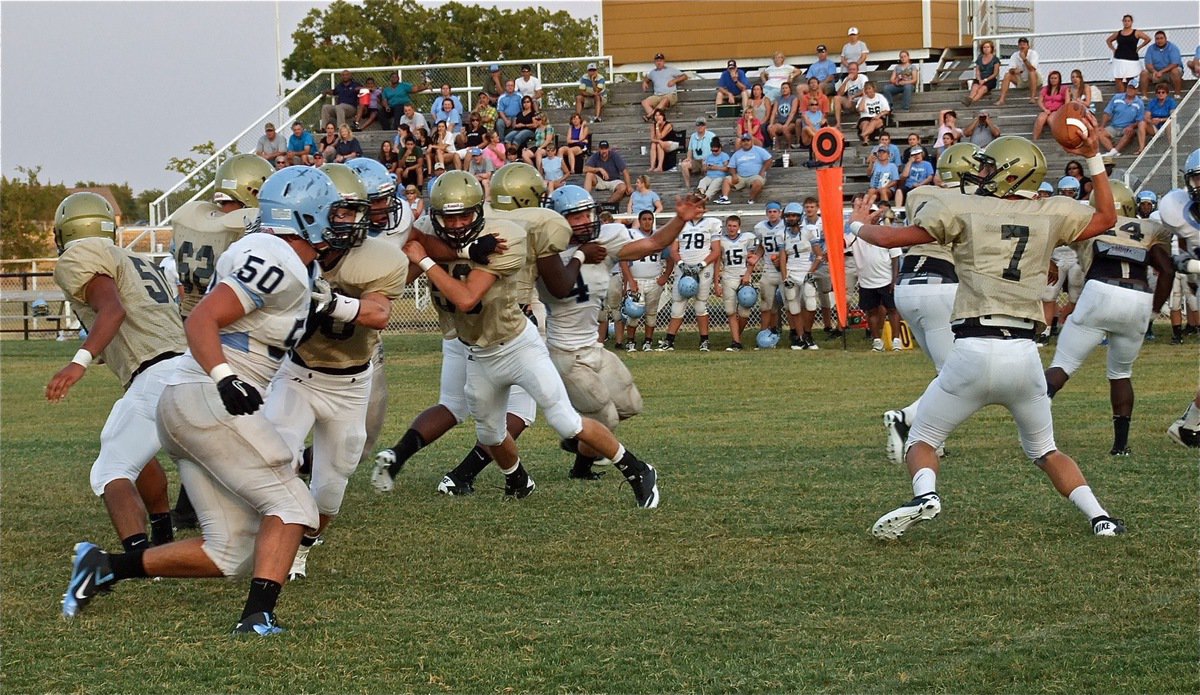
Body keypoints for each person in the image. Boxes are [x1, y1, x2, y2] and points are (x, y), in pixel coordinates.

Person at [60, 165, 367, 634]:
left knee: (229, 551)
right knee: (296, 507)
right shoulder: (274, 254)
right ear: (304, 215)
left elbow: (338, 309)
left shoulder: (295, 266)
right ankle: (258, 618)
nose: (344, 221)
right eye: (336, 211)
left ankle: (103, 566)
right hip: (209, 396)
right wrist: (224, 377)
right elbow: (202, 318)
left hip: (192, 404)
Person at [856, 129, 1126, 540]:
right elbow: (1107, 217)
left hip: (973, 351)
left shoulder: (964, 208)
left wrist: (857, 225)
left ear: (1010, 174)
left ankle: (925, 496)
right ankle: (1100, 518)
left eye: (987, 167)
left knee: (922, 441)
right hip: (1024, 354)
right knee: (1046, 451)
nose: (980, 174)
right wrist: (1092, 158)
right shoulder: (1051, 211)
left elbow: (891, 238)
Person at [401, 171, 661, 507]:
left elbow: (466, 297)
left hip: (518, 345)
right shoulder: (452, 240)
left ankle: (638, 469)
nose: (455, 225)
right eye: (447, 218)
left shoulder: (506, 236)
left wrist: (422, 257)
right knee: (491, 434)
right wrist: (454, 249)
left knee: (565, 420)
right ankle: (519, 481)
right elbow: (415, 267)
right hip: (479, 352)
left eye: (464, 216)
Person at [264, 165, 401, 580]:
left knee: (329, 488)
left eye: (348, 212)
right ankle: (263, 544)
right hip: (296, 373)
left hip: (350, 381)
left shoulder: (379, 258)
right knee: (274, 458)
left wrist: (330, 302)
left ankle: (301, 548)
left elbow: (378, 314)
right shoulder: (283, 250)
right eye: (334, 212)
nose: (341, 221)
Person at [47, 192, 183, 557]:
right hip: (188, 368)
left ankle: (141, 558)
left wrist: (79, 361)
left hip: (156, 373)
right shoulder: (136, 259)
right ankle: (164, 534)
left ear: (66, 230)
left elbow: (112, 310)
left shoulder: (79, 256)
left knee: (111, 470)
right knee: (136, 450)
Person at [544, 185, 704, 476]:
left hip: (592, 345)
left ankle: (578, 445)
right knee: (605, 418)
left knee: (629, 406)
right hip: (564, 352)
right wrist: (579, 254)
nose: (583, 221)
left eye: (585, 214)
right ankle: (582, 445)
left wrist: (680, 218)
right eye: (573, 217)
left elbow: (653, 244)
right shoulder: (546, 252)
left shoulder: (604, 240)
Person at [1044, 181, 1174, 456]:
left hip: (1099, 290)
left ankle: (1036, 436)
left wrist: (1050, 261)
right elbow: (1167, 269)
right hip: (1138, 296)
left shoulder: (1087, 223)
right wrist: (1152, 311)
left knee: (1063, 366)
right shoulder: (1151, 230)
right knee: (1121, 373)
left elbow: (1044, 237)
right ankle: (1120, 446)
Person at [882, 142, 977, 464]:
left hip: (907, 285)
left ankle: (932, 440)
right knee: (955, 374)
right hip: (940, 285)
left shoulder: (917, 195)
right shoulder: (972, 200)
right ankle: (908, 419)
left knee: (946, 372)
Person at [1160, 148, 1200, 447]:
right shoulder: (1176, 207)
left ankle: (1188, 424)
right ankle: (1188, 425)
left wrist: (1193, 265)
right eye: (1199, 178)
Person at [656, 213, 722, 352]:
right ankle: (669, 340)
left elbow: (716, 251)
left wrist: (701, 264)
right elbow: (674, 249)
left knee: (700, 305)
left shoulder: (712, 223)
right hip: (683, 267)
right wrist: (680, 263)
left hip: (703, 269)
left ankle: (704, 340)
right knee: (677, 304)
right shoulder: (681, 224)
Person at [845, 198, 902, 351]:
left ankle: (896, 340)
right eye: (869, 213)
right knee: (872, 311)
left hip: (885, 278)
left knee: (892, 310)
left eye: (873, 213)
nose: (871, 216)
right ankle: (877, 341)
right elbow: (843, 244)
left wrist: (894, 279)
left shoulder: (885, 230)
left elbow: (895, 255)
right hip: (866, 281)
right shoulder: (855, 235)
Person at [780, 200, 826, 350]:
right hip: (792, 272)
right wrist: (784, 277)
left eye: (794, 215)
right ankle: (799, 338)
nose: (791, 218)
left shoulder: (808, 232)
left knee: (811, 305)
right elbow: (782, 258)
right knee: (793, 305)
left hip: (806, 271)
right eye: (788, 216)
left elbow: (819, 255)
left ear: (800, 216)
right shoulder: (782, 235)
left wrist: (811, 271)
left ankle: (808, 334)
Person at [622, 211, 671, 351]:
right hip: (637, 281)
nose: (647, 222)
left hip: (654, 280)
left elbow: (669, 258)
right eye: (644, 219)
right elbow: (623, 260)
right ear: (639, 220)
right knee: (633, 313)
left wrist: (665, 276)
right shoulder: (632, 235)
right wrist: (630, 281)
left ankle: (648, 341)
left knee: (651, 313)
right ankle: (631, 341)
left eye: (650, 219)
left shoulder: (659, 237)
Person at [714, 214, 757, 350]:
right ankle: (736, 342)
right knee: (730, 311)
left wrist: (748, 274)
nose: (732, 228)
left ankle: (736, 336)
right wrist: (716, 283)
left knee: (745, 313)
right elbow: (718, 262)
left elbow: (752, 260)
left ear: (739, 227)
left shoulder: (747, 238)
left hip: (743, 277)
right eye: (730, 226)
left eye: (734, 226)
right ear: (726, 226)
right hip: (728, 277)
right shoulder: (721, 241)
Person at [752, 201, 786, 341]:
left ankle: (796, 333)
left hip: (785, 268)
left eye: (775, 211)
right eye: (769, 211)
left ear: (780, 212)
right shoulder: (760, 228)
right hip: (769, 269)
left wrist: (782, 258)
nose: (772, 214)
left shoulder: (785, 226)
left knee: (791, 302)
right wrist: (756, 257)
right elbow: (762, 245)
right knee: (767, 304)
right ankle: (765, 333)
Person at [1106, 14, 1152, 93]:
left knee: (1130, 78)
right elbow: (1108, 40)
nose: (1126, 23)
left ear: (1131, 22)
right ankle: (1122, 95)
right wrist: (1113, 49)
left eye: (1128, 21)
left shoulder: (1136, 32)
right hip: (1119, 58)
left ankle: (1130, 94)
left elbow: (1147, 38)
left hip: (1132, 58)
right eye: (1125, 21)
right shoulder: (1118, 33)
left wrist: (1139, 47)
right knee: (1118, 78)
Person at [1100, 82, 1146, 155]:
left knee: (1129, 132)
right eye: (1129, 87)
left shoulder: (1139, 103)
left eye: (1133, 88)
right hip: (1114, 126)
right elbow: (1107, 112)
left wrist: (1131, 126)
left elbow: (1139, 119)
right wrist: (1102, 126)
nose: (1130, 90)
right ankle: (1114, 152)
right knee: (1100, 133)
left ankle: (1113, 152)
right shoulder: (1116, 97)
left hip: (1127, 127)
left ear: (1137, 91)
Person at [727, 134, 774, 205]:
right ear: (741, 143)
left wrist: (763, 170)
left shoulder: (759, 150)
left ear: (751, 141)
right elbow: (731, 166)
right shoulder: (737, 154)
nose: (746, 142)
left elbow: (769, 160)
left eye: (748, 140)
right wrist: (733, 175)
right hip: (740, 177)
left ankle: (751, 200)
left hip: (755, 176)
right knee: (726, 180)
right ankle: (724, 198)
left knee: (758, 182)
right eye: (743, 141)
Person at [583, 141, 632, 206]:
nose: (604, 151)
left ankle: (607, 205)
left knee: (623, 187)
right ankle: (586, 199)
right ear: (599, 149)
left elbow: (625, 171)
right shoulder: (595, 156)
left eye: (605, 149)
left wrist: (629, 187)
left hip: (614, 180)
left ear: (608, 149)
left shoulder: (614, 156)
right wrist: (599, 169)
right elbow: (585, 169)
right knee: (589, 174)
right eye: (602, 149)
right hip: (600, 181)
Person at [641, 53, 686, 121]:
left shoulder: (670, 70)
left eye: (660, 61)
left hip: (670, 95)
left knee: (664, 100)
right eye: (657, 61)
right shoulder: (652, 73)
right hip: (657, 96)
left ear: (663, 61)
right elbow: (647, 78)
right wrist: (644, 82)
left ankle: (649, 115)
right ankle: (656, 119)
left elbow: (684, 76)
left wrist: (674, 80)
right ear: (655, 62)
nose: (659, 62)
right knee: (644, 102)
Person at [996, 37, 1040, 106]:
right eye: (1020, 44)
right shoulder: (1015, 55)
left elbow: (1032, 69)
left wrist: (1024, 59)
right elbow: (1010, 69)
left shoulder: (1033, 54)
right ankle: (1001, 99)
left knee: (1032, 72)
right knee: (1007, 75)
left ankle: (1032, 97)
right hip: (1021, 80)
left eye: (1024, 44)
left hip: (1035, 80)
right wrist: (1014, 71)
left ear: (1028, 46)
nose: (1022, 46)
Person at [1140, 30, 1184, 99]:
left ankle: (1177, 95)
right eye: (1157, 39)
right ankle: (1144, 96)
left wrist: (1161, 72)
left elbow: (1175, 63)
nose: (1159, 40)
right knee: (1144, 73)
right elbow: (1148, 64)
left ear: (1165, 39)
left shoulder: (1173, 48)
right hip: (1156, 73)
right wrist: (1154, 72)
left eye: (1161, 38)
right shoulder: (1151, 48)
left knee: (1175, 71)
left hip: (1170, 72)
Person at [681, 117, 716, 189]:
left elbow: (716, 150)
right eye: (698, 125)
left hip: (709, 160)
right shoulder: (693, 136)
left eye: (702, 125)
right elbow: (690, 150)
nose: (700, 127)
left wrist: (708, 160)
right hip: (696, 161)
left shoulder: (712, 136)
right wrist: (688, 158)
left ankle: (707, 186)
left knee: (706, 165)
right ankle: (688, 187)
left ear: (705, 126)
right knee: (684, 164)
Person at [1031, 71, 1068, 140]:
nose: (1053, 80)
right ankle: (1035, 140)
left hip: (1057, 110)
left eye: (1055, 78)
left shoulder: (1063, 89)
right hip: (1046, 110)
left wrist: (1061, 111)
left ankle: (1060, 138)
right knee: (1040, 119)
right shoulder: (1045, 88)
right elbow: (1039, 101)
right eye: (1051, 78)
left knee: (1051, 119)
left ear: (1059, 79)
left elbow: (1067, 102)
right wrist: (1045, 109)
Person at [964, 40, 1001, 106]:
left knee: (981, 89)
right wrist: (979, 79)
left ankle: (971, 102)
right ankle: (970, 99)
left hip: (990, 80)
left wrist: (985, 80)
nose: (986, 49)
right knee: (975, 87)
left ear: (991, 48)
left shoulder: (995, 59)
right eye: (984, 47)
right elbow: (977, 71)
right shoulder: (979, 58)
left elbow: (995, 73)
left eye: (988, 47)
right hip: (980, 78)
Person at [697, 137, 732, 203]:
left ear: (720, 149)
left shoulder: (724, 156)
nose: (714, 152)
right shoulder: (708, 156)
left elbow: (726, 168)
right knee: (702, 181)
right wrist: (706, 167)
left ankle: (706, 198)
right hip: (709, 176)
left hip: (720, 177)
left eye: (716, 151)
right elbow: (703, 169)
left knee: (714, 184)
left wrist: (716, 167)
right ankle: (700, 194)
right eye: (712, 151)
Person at [833, 61, 867, 127]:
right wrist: (846, 81)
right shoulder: (846, 79)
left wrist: (854, 96)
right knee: (836, 98)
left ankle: (860, 122)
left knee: (864, 96)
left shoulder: (863, 78)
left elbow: (865, 90)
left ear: (857, 70)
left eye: (854, 69)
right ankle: (838, 123)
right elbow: (839, 93)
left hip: (862, 102)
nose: (852, 71)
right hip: (851, 103)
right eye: (850, 69)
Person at [768, 81, 799, 151]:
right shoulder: (778, 99)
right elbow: (773, 113)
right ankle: (777, 146)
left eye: (786, 88)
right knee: (770, 128)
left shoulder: (794, 98)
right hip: (780, 122)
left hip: (791, 123)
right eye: (782, 88)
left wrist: (786, 124)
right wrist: (771, 123)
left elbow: (793, 112)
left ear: (790, 89)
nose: (784, 90)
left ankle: (789, 146)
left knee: (785, 129)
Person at [647, 109, 678, 173]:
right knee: (654, 144)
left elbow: (660, 137)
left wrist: (657, 127)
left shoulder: (668, 125)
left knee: (659, 145)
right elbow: (652, 138)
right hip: (661, 143)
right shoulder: (653, 125)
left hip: (671, 143)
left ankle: (660, 167)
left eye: (659, 115)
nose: (657, 117)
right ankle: (652, 166)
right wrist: (659, 141)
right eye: (656, 115)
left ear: (663, 116)